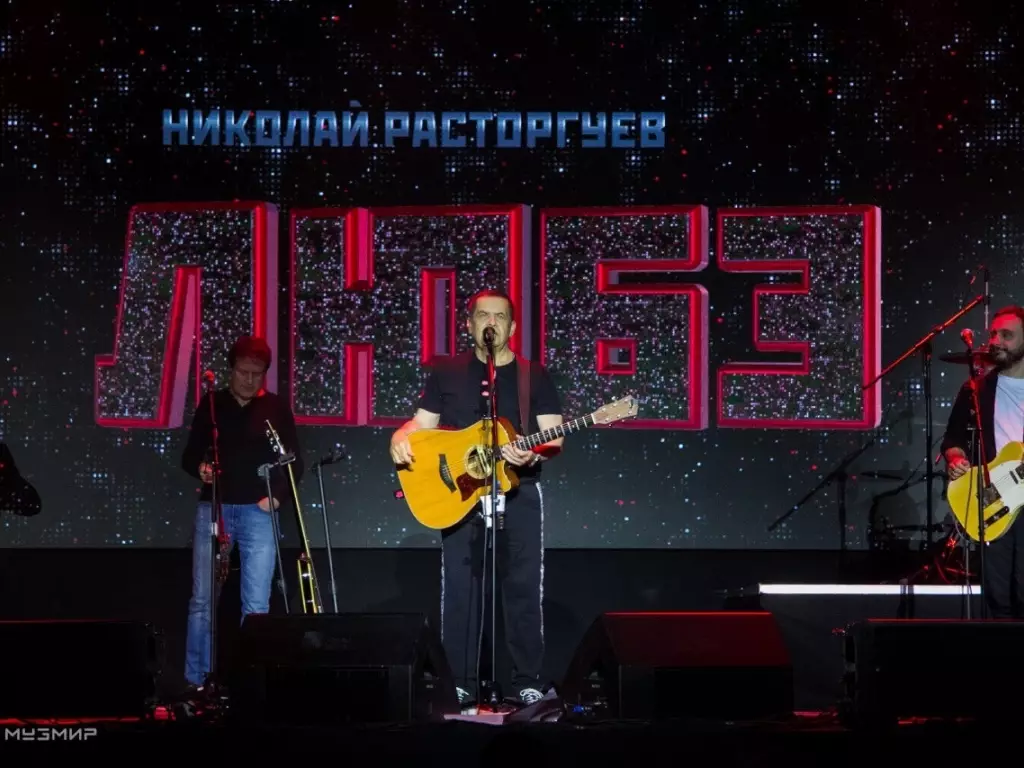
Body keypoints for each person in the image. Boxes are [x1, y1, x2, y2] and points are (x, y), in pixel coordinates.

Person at [389, 289, 564, 709]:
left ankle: (527, 681)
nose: (491, 322)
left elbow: (554, 436)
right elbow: (421, 424)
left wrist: (532, 452)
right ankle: (460, 682)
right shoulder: (447, 372)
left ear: (512, 327)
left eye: (500, 316)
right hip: (461, 494)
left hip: (519, 492)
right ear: (469, 324)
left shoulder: (533, 375)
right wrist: (399, 436)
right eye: (483, 315)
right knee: (460, 591)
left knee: (522, 588)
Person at [180, 335, 303, 689]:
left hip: (258, 512)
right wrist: (201, 469)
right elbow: (189, 456)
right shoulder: (213, 404)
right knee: (203, 600)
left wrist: (278, 497)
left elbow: (295, 463)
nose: (249, 380)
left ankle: (252, 683)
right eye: (243, 372)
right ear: (231, 369)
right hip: (215, 507)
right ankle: (197, 681)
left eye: (257, 374)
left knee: (256, 603)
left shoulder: (276, 408)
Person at [942, 305, 1024, 617]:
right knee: (998, 596)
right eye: (993, 334)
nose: (996, 341)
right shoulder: (976, 389)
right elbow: (952, 440)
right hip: (995, 497)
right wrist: (956, 459)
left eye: (1007, 335)